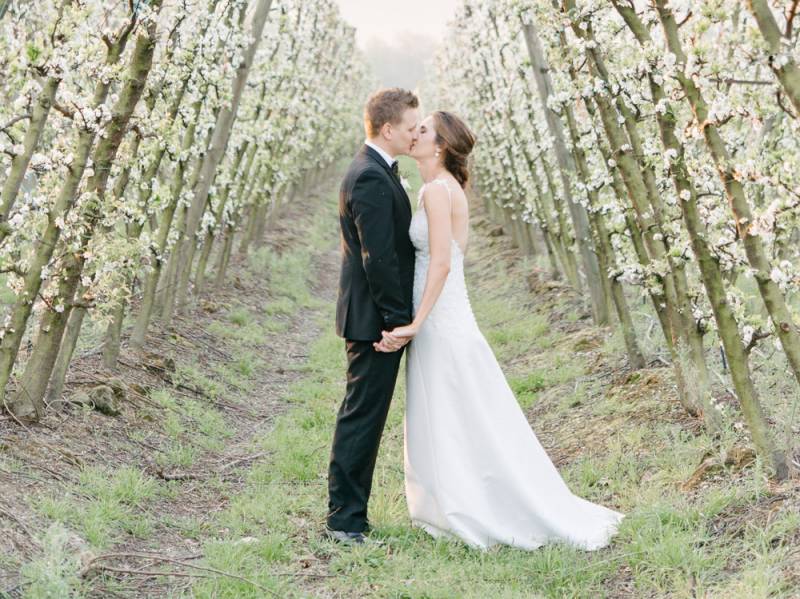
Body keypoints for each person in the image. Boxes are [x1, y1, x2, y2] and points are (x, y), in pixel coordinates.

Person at [378, 111, 625, 551]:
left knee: (450, 409)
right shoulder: (445, 188)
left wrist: (417, 321)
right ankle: (452, 499)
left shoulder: (438, 191)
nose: (414, 135)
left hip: (439, 317)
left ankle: (463, 505)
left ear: (440, 147)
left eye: (423, 131)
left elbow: (441, 262)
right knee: (455, 408)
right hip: (448, 311)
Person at [325, 88, 420, 545]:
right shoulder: (368, 177)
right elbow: (377, 258)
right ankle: (345, 520)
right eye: (409, 127)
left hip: (376, 318)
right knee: (361, 418)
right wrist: (396, 323)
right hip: (374, 323)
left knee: (364, 415)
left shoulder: (378, 171)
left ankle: (350, 517)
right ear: (388, 129)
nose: (415, 133)